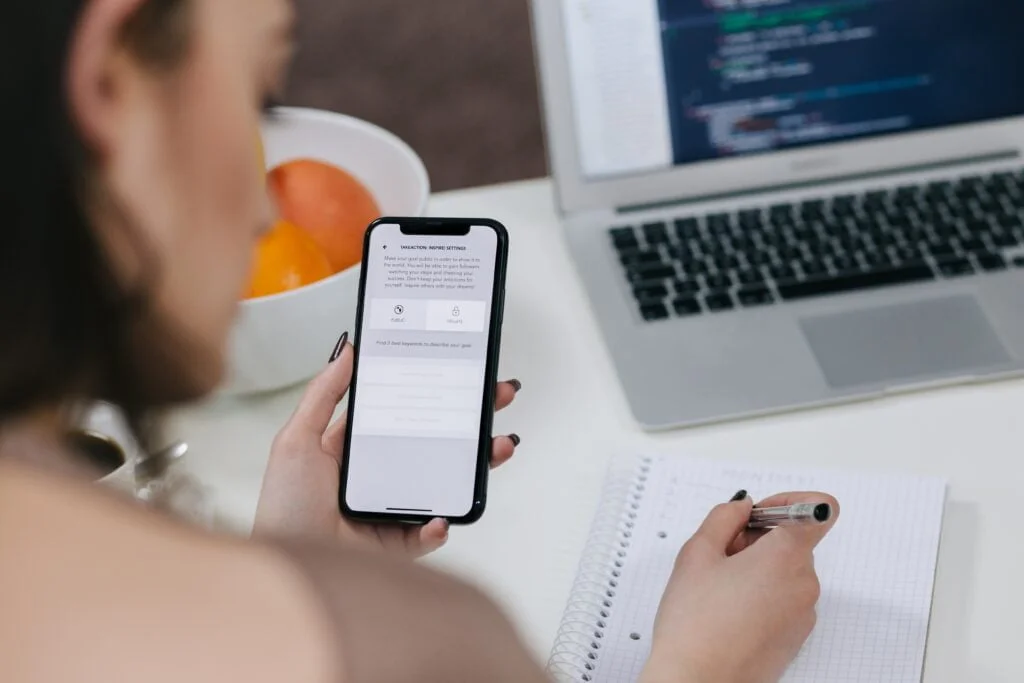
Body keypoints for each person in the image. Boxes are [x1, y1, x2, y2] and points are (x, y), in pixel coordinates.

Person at [0, 1, 840, 682]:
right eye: (257, 99)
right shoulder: (409, 650)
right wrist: (702, 665)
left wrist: (289, 556)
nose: (265, 212)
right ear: (111, 80)